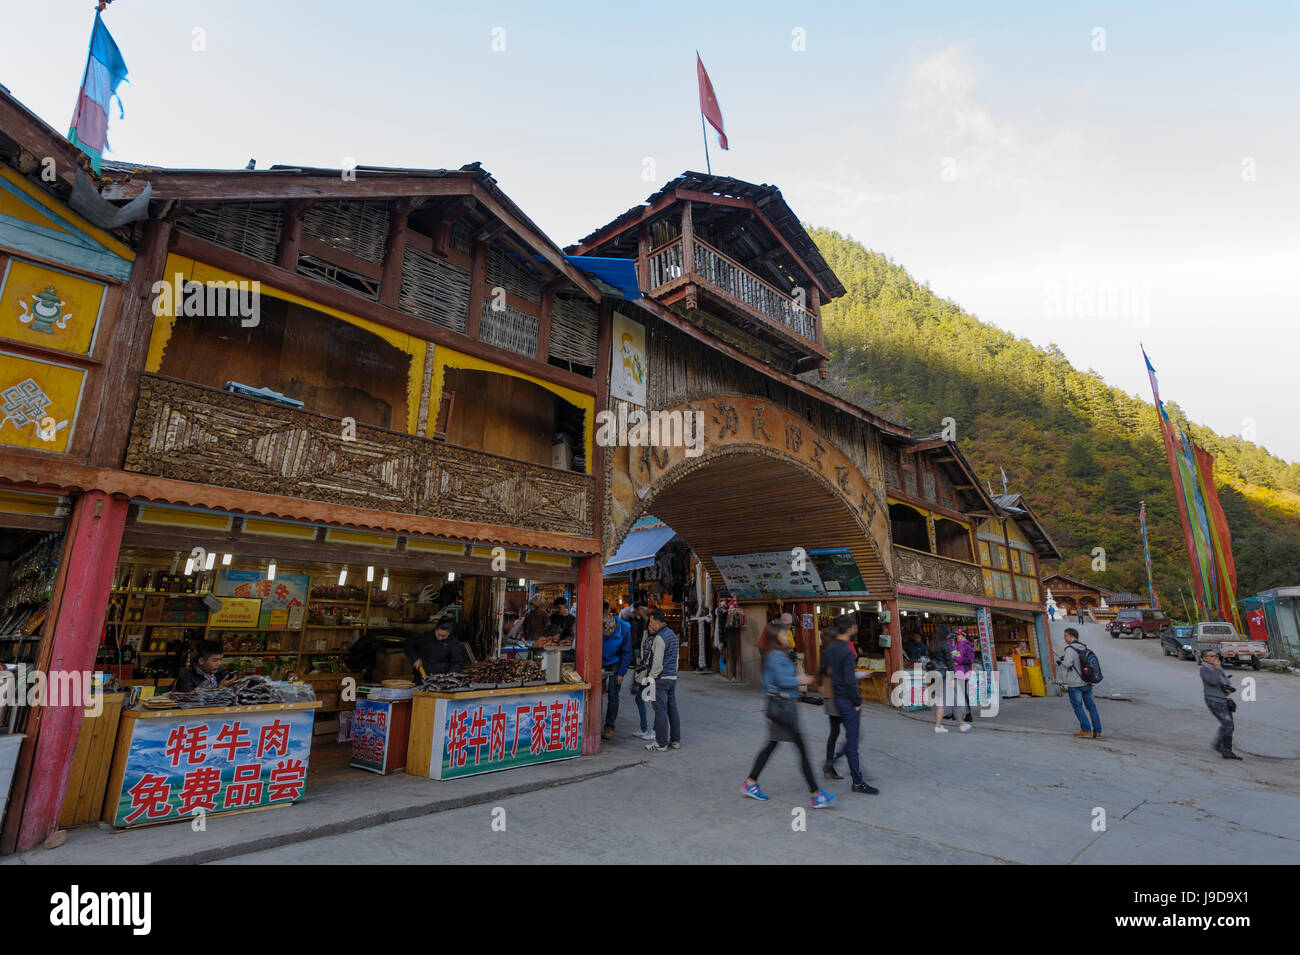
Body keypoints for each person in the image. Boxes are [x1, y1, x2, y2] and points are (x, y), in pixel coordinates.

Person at [742, 621, 837, 809]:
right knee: (802, 751)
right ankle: (815, 794)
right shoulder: (776, 656)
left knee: (771, 745)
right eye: (784, 634)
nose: (787, 637)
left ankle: (750, 783)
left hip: (780, 707)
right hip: (783, 708)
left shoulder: (776, 654)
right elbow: (781, 680)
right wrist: (800, 679)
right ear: (776, 636)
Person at [821, 616, 877, 794]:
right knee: (853, 742)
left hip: (837, 696)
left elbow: (824, 669)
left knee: (851, 737)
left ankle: (836, 760)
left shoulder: (831, 648)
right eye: (854, 628)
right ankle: (857, 781)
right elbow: (849, 680)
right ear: (848, 629)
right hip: (847, 699)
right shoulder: (845, 650)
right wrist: (857, 701)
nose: (856, 630)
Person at [639, 609, 681, 752]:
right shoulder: (673, 636)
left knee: (660, 711)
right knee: (672, 709)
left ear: (657, 622)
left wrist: (651, 677)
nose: (650, 625)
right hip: (672, 678)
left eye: (651, 622)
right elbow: (676, 659)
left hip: (661, 679)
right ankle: (675, 740)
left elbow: (657, 662)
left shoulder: (660, 637)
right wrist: (673, 673)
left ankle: (661, 743)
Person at [1056, 627, 1102, 739]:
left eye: (1066, 635)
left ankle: (1086, 730)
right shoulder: (1083, 647)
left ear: (1072, 637)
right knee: (1091, 707)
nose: (1065, 638)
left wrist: (1062, 662)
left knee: (1078, 707)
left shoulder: (1070, 649)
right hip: (1087, 682)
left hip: (1075, 684)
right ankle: (1097, 731)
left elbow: (1067, 664)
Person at [601, 602, 635, 739]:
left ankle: (609, 727)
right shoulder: (599, 624)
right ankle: (593, 724)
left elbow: (627, 653)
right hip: (598, 661)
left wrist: (622, 673)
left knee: (613, 695)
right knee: (595, 694)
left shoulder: (624, 629)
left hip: (615, 662)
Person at [1200, 649, 1241, 759]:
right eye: (1212, 656)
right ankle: (1226, 750)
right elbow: (1212, 681)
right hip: (1214, 701)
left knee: (1229, 725)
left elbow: (1221, 683)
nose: (1215, 657)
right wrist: (1217, 668)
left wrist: (1228, 689)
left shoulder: (1217, 668)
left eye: (1216, 655)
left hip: (1223, 699)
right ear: (1205, 659)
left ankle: (1219, 745)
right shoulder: (1204, 669)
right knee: (1228, 725)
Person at [929, 625, 954, 733]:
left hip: (933, 672)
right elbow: (949, 661)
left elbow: (929, 656)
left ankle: (939, 725)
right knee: (941, 701)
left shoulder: (933, 643)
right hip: (942, 673)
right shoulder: (945, 644)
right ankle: (938, 726)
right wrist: (953, 677)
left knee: (939, 699)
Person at [949, 628, 975, 729]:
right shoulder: (968, 645)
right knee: (961, 692)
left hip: (961, 671)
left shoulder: (962, 644)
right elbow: (968, 659)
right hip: (965, 671)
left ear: (964, 636)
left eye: (958, 635)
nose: (957, 637)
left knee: (960, 693)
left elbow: (960, 658)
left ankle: (967, 715)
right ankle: (963, 714)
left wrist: (953, 657)